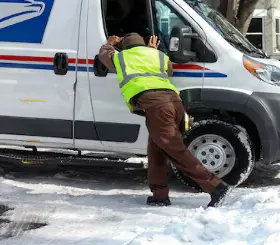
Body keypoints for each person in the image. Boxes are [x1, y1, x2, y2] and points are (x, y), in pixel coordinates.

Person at [98, 32, 233, 208]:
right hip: (175, 104)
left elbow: (104, 56)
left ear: (124, 46)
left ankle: (215, 187)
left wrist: (109, 43)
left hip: (156, 107)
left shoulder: (121, 57)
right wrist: (152, 51)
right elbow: (168, 70)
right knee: (156, 151)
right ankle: (160, 195)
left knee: (176, 151)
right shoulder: (158, 55)